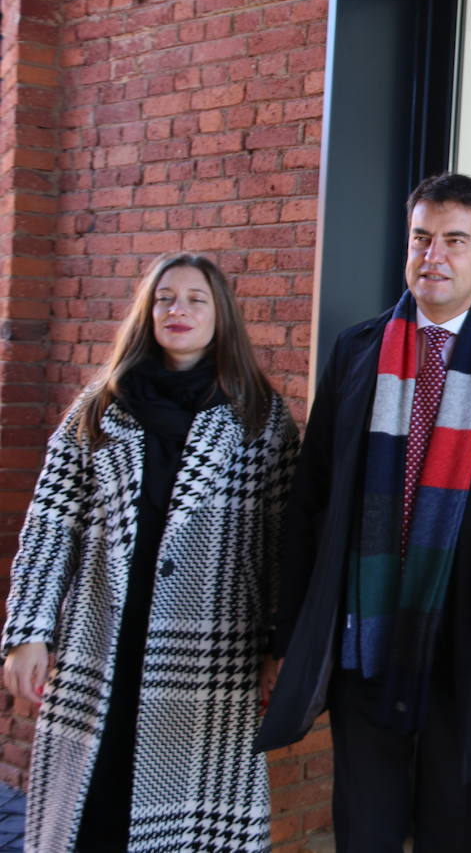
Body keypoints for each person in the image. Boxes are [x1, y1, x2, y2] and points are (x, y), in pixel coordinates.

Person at [257, 172, 471, 851]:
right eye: (422, 238)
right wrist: (290, 628)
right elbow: (312, 499)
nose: (434, 256)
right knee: (365, 832)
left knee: (452, 833)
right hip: (368, 635)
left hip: (468, 641)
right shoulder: (357, 350)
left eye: (455, 240)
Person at [1, 253, 298, 852]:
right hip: (103, 639)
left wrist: (277, 646)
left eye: (195, 299)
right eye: (165, 298)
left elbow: (282, 544)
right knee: (95, 814)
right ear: (148, 312)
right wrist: (28, 632)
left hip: (210, 655)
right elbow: (49, 525)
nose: (177, 310)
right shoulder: (99, 408)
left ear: (222, 317)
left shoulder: (261, 418)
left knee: (187, 828)